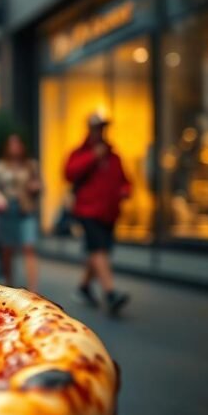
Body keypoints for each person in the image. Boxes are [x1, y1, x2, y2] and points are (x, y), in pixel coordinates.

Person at [65, 112, 131, 316]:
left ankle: (83, 288)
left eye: (102, 128)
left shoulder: (114, 157)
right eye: (96, 128)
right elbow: (69, 173)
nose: (100, 132)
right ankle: (110, 293)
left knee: (98, 253)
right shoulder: (80, 153)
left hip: (109, 213)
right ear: (90, 130)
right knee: (98, 250)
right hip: (87, 211)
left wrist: (125, 191)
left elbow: (126, 180)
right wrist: (94, 157)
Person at [0, 133, 41, 292]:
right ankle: (9, 283)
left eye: (17, 144)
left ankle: (33, 289)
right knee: (7, 249)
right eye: (12, 144)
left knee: (29, 246)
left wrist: (35, 187)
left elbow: (40, 185)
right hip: (6, 209)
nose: (15, 147)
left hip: (25, 208)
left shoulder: (31, 165)